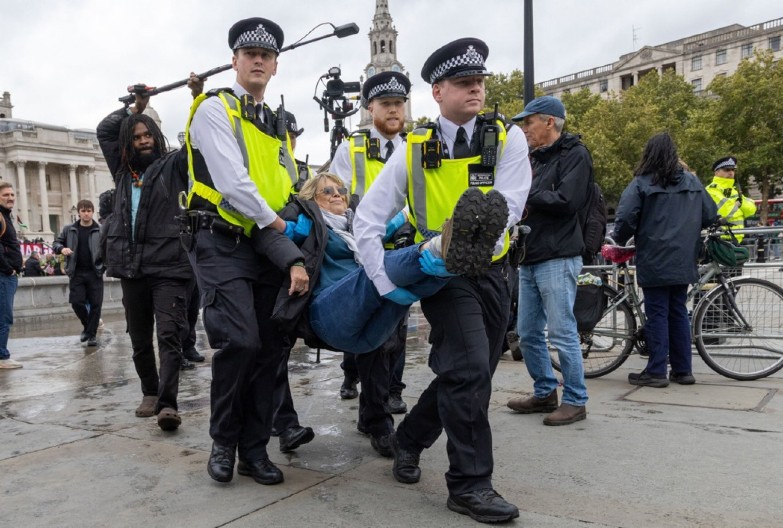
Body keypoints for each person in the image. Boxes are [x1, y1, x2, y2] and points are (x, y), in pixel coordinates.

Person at [352, 38, 531, 523]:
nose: (476, 89)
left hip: (494, 271)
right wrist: (384, 282)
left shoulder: (507, 137)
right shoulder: (413, 148)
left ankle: (409, 438)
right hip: (444, 276)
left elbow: (512, 204)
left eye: (480, 82)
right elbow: (367, 219)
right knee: (471, 370)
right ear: (437, 91)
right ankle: (470, 485)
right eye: (463, 82)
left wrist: (483, 225)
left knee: (469, 372)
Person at [184, 17, 309, 486]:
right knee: (241, 341)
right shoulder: (214, 109)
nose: (258, 60)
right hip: (221, 240)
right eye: (249, 53)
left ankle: (254, 450)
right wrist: (280, 226)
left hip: (265, 246)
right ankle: (223, 441)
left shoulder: (277, 126)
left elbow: (288, 184)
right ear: (234, 61)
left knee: (271, 349)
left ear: (275, 66)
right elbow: (235, 184)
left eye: (267, 55)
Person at [273, 172, 453, 458]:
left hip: (366, 319)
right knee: (375, 272)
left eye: (340, 190)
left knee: (407, 291)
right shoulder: (308, 222)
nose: (337, 195)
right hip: (326, 311)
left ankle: (451, 262)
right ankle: (437, 249)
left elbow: (394, 221)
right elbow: (280, 231)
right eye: (327, 191)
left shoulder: (360, 226)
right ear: (312, 198)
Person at [96, 74, 204, 431]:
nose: (143, 141)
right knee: (140, 338)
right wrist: (134, 108)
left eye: (147, 136)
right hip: (131, 267)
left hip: (170, 266)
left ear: (157, 139)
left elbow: (199, 143)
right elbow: (105, 130)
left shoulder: (173, 166)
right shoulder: (122, 173)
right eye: (137, 137)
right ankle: (149, 391)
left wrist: (197, 98)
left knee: (170, 335)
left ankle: (168, 403)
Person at [330, 70, 413, 414]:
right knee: (361, 317)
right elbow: (337, 195)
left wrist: (399, 221)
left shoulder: (415, 148)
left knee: (399, 323)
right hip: (363, 246)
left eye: (399, 104)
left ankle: (392, 389)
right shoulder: (352, 148)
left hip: (403, 245)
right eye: (386, 104)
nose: (394, 110)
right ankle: (352, 374)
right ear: (370, 108)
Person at [506, 95, 590, 427]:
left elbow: (568, 200)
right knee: (526, 332)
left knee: (562, 331)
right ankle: (545, 391)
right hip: (532, 254)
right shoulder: (535, 158)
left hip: (558, 254)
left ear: (549, 122)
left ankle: (575, 399)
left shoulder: (575, 154)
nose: (525, 128)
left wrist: (525, 193)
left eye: (528, 122)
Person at [612, 133, 718, 386]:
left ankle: (657, 370)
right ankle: (683, 370)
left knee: (657, 313)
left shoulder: (641, 183)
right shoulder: (692, 181)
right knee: (678, 312)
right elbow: (710, 214)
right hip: (684, 258)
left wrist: (618, 237)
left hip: (654, 257)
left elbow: (626, 218)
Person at [53, 199, 104, 347]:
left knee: (96, 304)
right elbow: (56, 243)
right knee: (76, 302)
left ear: (92, 212)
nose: (86, 214)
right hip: (77, 272)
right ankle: (89, 328)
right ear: (79, 212)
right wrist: (62, 249)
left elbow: (108, 249)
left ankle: (91, 335)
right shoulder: (69, 229)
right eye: (83, 211)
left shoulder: (100, 229)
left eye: (89, 211)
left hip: (95, 273)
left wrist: (103, 267)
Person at [0, 182, 23, 369]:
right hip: (3, 275)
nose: (10, 198)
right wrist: (8, 269)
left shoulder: (6, 217)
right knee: (4, 316)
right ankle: (2, 356)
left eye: (12, 194)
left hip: (6, 274)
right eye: (5, 195)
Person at [706, 156, 756, 243]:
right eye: (727, 170)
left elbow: (751, 210)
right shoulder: (711, 189)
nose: (731, 172)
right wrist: (738, 204)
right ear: (716, 172)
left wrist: (737, 203)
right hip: (719, 239)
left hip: (737, 240)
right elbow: (726, 212)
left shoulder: (734, 190)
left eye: (733, 170)